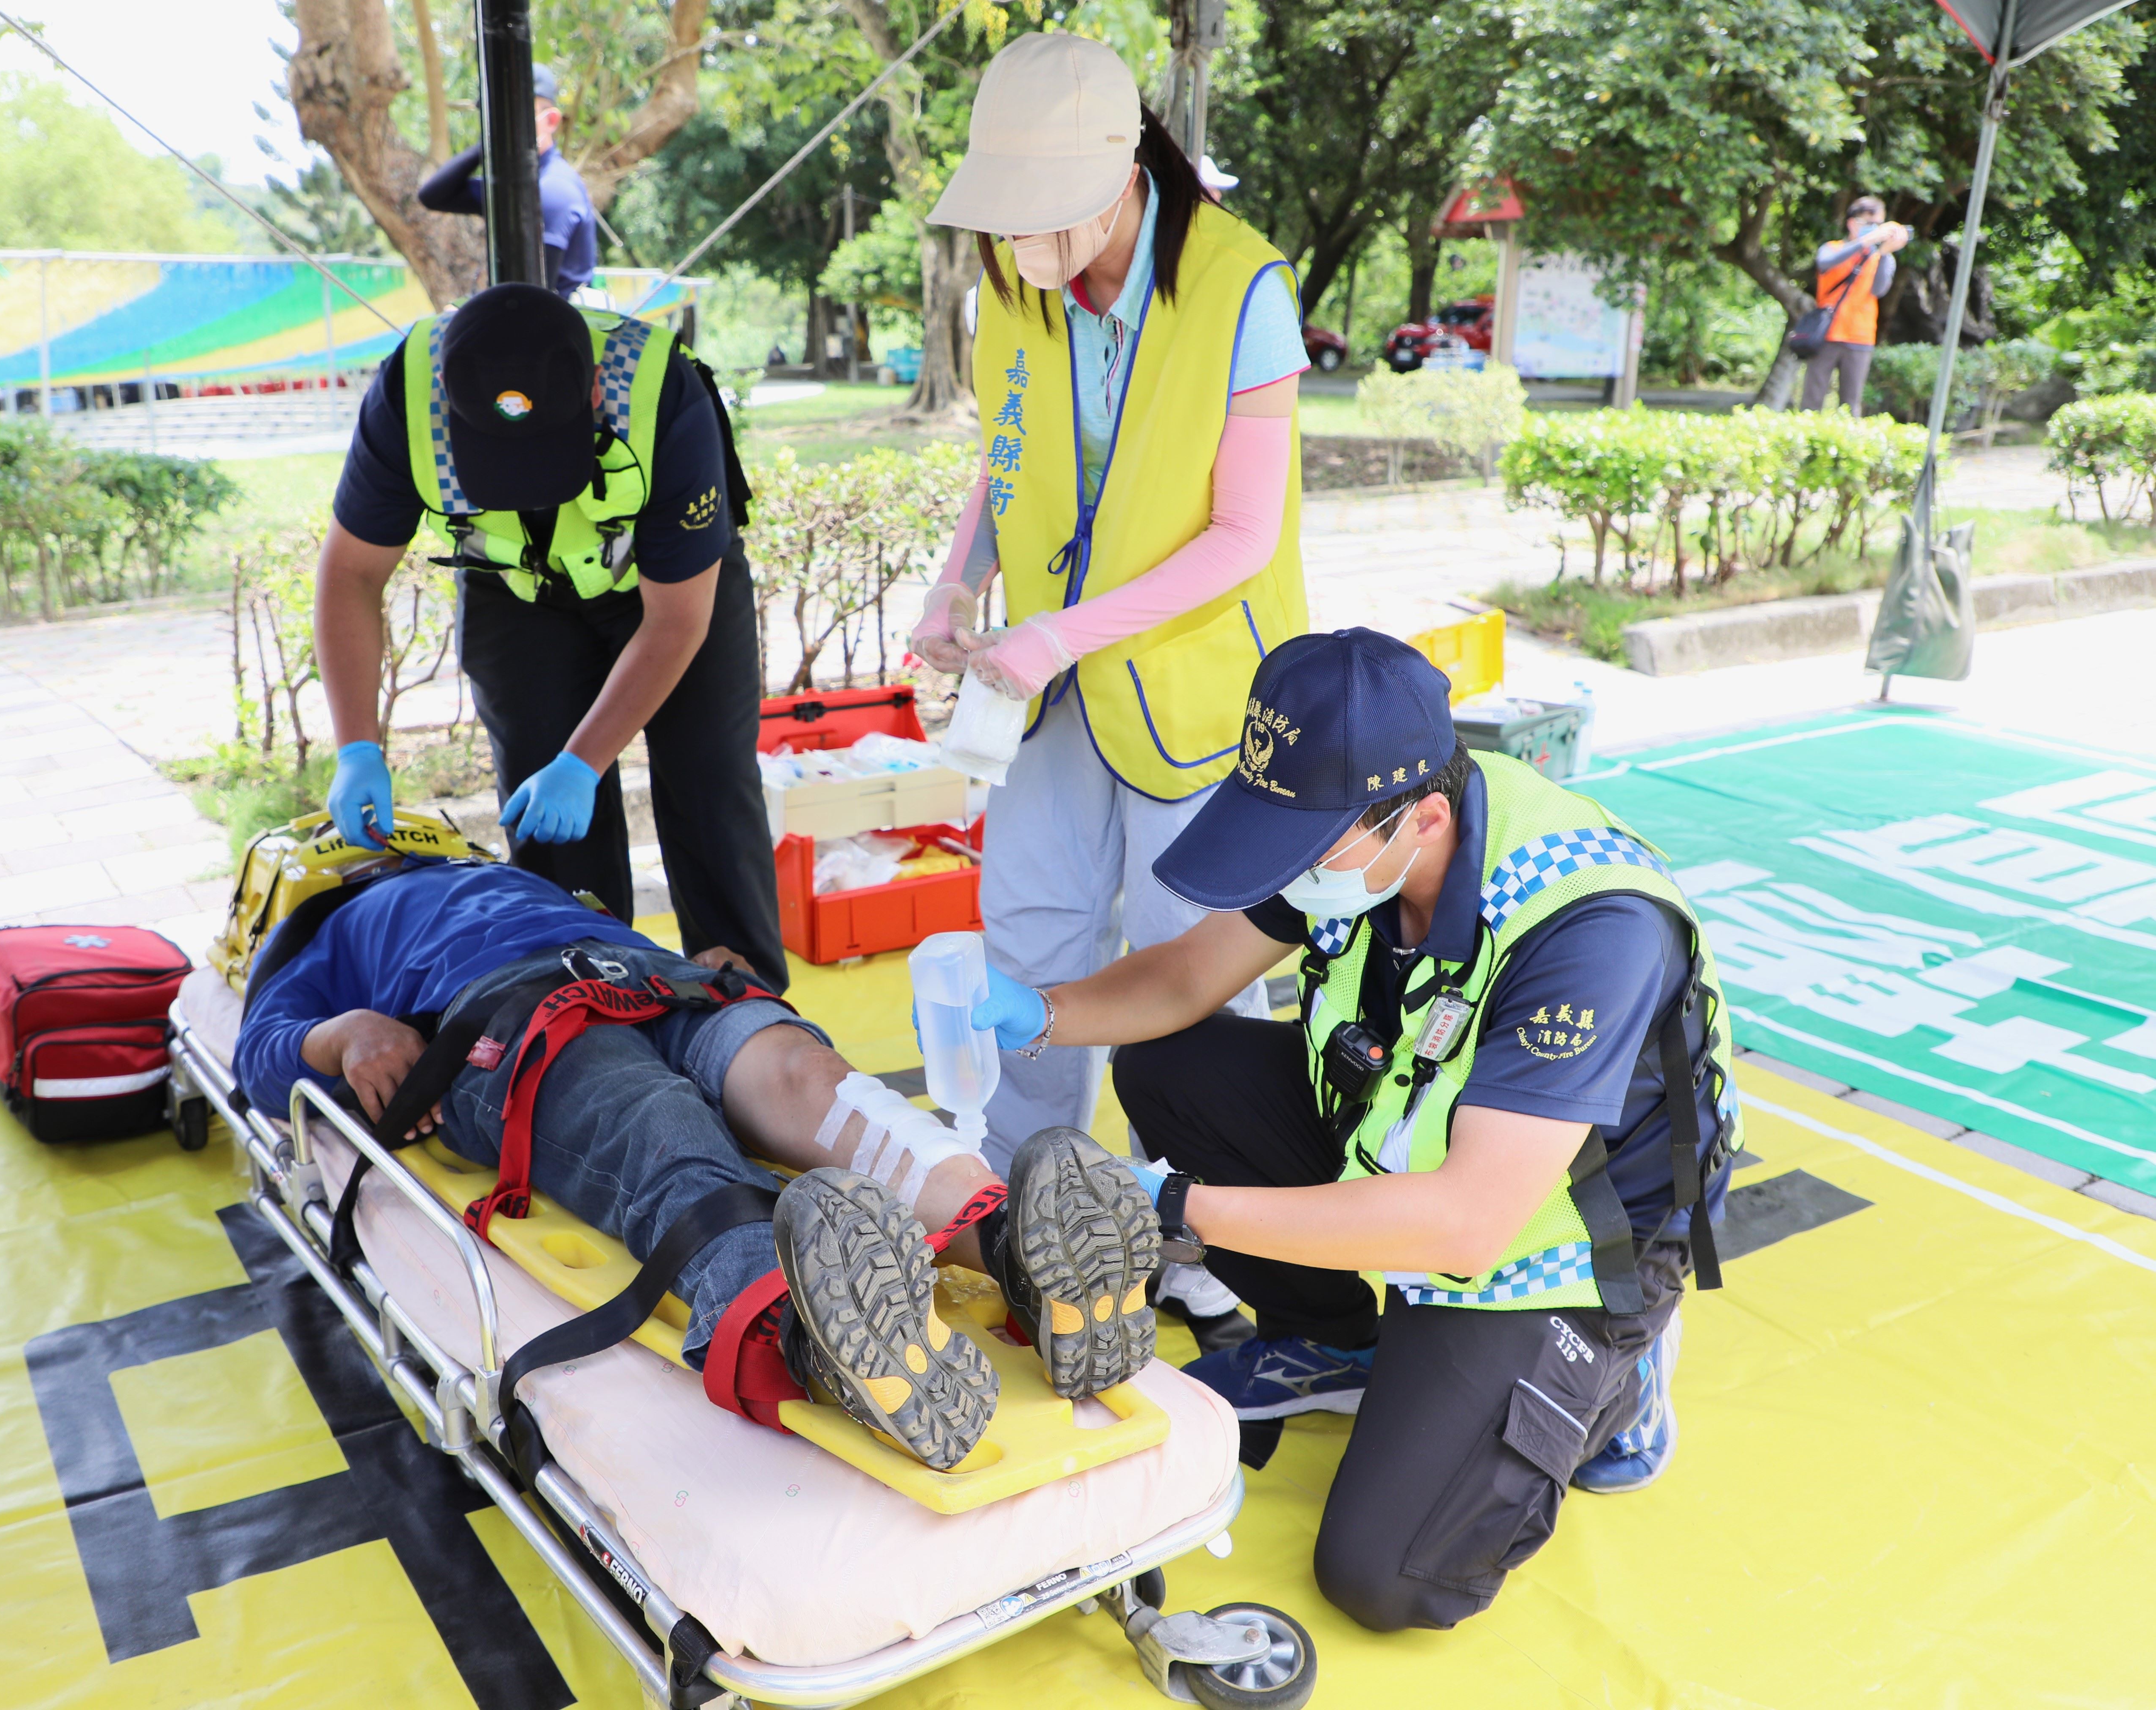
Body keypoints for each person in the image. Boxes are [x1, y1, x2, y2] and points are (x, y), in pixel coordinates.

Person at [954, 629, 1741, 1631]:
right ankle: (1339, 1339)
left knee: (1387, 1573)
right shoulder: (1350, 827)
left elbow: (1466, 1223)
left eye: (1302, 848)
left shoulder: (1589, 929)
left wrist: (1176, 1205)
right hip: (1411, 1132)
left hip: (1561, 1243)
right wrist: (1040, 1011)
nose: (1283, 868)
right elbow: (1188, 977)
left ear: (1425, 818)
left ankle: (1617, 1377)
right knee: (1167, 1066)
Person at [233, 858, 1161, 1470]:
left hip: (652, 977)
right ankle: (801, 1330)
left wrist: (688, 959)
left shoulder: (507, 875)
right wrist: (345, 1033)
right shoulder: (322, 935)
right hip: (506, 1018)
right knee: (656, 1124)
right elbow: (259, 1056)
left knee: (807, 1077)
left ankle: (1009, 1244)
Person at [913, 34, 1311, 1196]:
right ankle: (1024, 1190)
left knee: (1190, 958)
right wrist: (957, 583)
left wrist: (1052, 637)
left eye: (1041, 210)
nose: (1019, 238)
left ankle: (1200, 1223)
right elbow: (1007, 459)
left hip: (1194, 692)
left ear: (1121, 174)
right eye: (1005, 213)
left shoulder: (1243, 289)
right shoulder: (1013, 282)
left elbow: (1243, 535)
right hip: (1048, 692)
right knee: (1027, 933)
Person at [316, 279, 787, 988]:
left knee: (710, 788)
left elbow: (676, 620)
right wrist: (357, 749)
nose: (528, 485)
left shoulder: (662, 394)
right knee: (545, 824)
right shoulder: (405, 396)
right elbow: (351, 574)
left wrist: (583, 763)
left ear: (595, 390)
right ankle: (583, 1001)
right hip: (516, 592)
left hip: (662, 589)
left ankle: (745, 1005)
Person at [417, 66, 599, 300]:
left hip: (557, 318)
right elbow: (433, 196)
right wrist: (489, 142)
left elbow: (536, 297)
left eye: (516, 116)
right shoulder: (514, 185)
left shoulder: (555, 188)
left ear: (551, 120)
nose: (505, 125)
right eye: (496, 117)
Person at [1799, 195, 1910, 416]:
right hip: (1827, 334)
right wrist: (1866, 242)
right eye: (1870, 224)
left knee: (1851, 406)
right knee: (1812, 401)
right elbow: (1825, 263)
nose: (1876, 229)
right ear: (1852, 223)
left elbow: (1879, 290)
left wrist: (1884, 252)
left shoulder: (1882, 258)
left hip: (1860, 338)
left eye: (1879, 225)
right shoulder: (1833, 248)